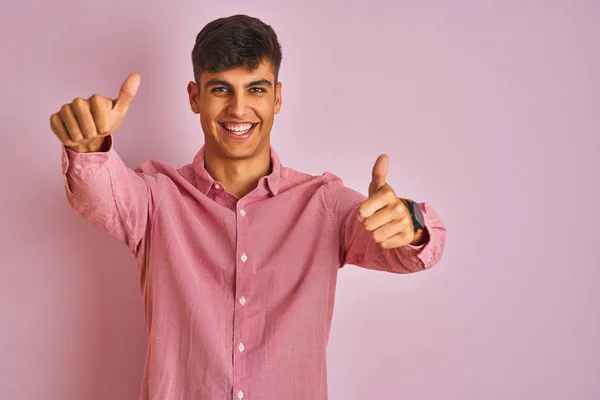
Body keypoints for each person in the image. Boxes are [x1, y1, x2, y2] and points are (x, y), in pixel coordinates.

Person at [50, 14, 447, 400]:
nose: (239, 110)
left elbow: (409, 253)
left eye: (256, 89)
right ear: (195, 97)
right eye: (221, 89)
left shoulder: (322, 203)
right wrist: (87, 147)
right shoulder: (156, 197)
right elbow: (99, 195)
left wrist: (410, 224)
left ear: (277, 98)